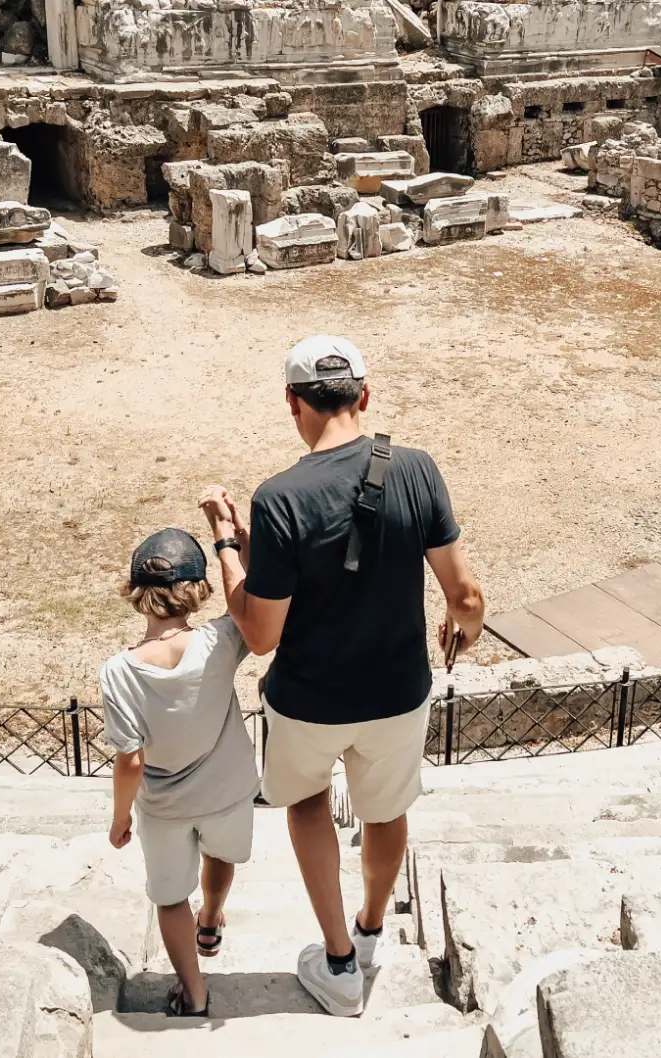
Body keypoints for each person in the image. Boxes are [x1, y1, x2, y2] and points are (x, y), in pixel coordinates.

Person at [200, 334, 486, 1017]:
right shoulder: (415, 469)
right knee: (387, 811)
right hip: (397, 690)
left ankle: (335, 964)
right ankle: (369, 931)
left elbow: (262, 635)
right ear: (364, 395)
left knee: (304, 803)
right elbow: (466, 597)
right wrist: (460, 629)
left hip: (309, 699)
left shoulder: (278, 499)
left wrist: (226, 544)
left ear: (292, 403)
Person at [101, 527, 259, 1018]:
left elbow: (130, 760)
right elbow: (255, 598)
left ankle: (194, 993)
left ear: (136, 593)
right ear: (197, 591)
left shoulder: (119, 672)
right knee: (220, 854)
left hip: (164, 806)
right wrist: (231, 539)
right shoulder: (222, 639)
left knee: (169, 899)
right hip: (228, 789)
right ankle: (210, 918)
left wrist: (120, 817)